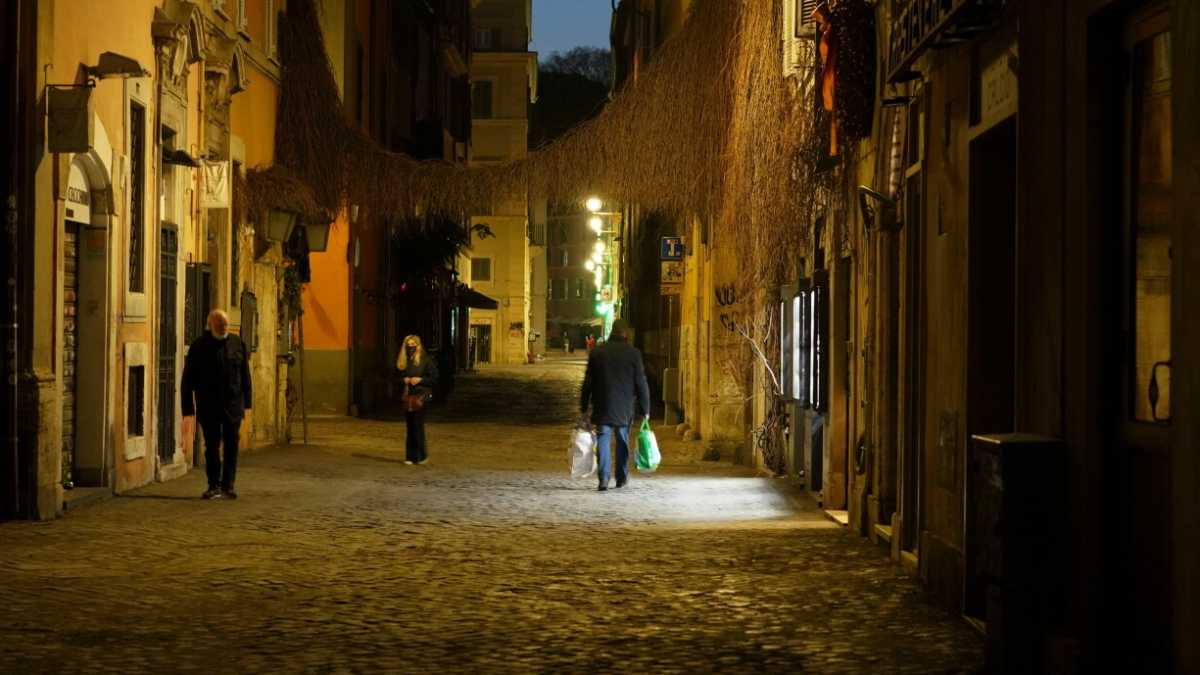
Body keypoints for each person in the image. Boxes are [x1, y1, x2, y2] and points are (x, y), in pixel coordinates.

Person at [181, 309, 252, 500]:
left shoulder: (238, 344)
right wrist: (188, 410)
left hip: (233, 405)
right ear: (210, 325)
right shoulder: (199, 347)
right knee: (212, 446)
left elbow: (245, 376)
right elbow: (187, 380)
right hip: (209, 405)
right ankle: (213, 485)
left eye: (225, 326)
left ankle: (228, 485)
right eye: (220, 326)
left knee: (231, 446)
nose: (223, 328)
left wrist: (248, 404)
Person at [580, 319, 650, 492]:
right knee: (622, 441)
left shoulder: (597, 352)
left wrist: (583, 406)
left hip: (603, 405)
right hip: (624, 408)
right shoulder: (633, 354)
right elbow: (641, 383)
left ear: (612, 331)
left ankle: (603, 479)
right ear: (625, 334)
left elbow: (588, 382)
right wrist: (646, 408)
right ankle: (621, 477)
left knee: (603, 441)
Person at [396, 334, 438, 465]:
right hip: (408, 396)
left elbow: (435, 377)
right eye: (408, 345)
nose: (411, 347)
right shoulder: (403, 361)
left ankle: (421, 455)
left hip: (421, 396)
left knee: (417, 425)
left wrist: (420, 380)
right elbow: (394, 376)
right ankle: (410, 456)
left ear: (418, 345)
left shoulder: (426, 360)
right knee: (410, 426)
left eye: (413, 345)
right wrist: (404, 380)